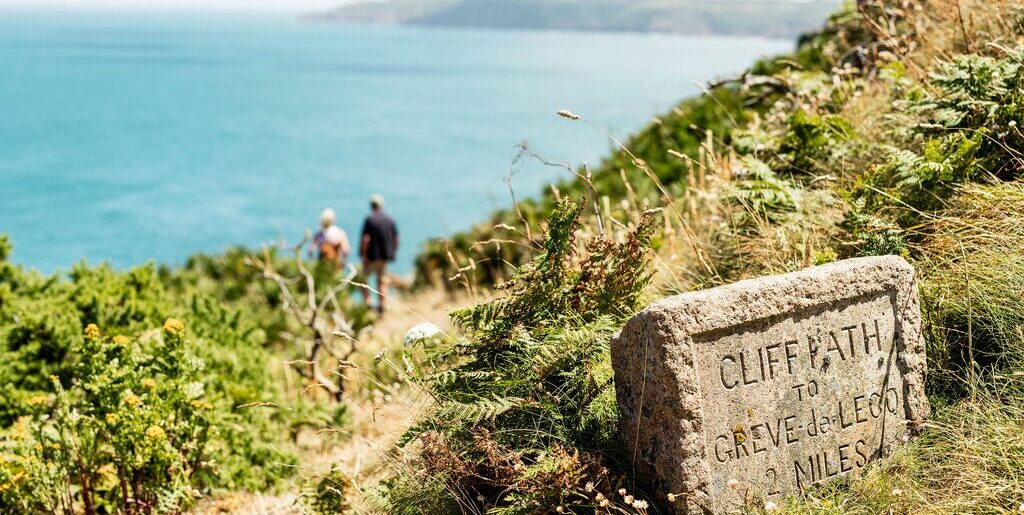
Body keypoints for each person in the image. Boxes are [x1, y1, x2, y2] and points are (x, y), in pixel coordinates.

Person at [360, 193, 398, 313]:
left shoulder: (369, 220)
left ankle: (369, 303)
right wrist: (392, 251)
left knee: (363, 280)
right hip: (384, 257)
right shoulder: (389, 219)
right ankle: (382, 305)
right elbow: (396, 238)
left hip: (370, 257)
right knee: (382, 281)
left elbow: (366, 239)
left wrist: (363, 255)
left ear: (371, 206)